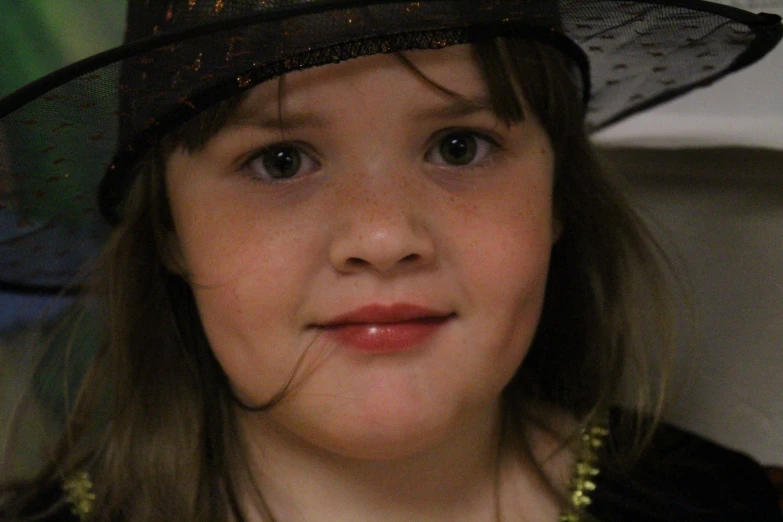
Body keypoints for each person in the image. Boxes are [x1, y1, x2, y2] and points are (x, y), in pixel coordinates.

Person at [0, 1, 781, 521]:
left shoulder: (719, 504)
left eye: (457, 146)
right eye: (278, 160)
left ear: (556, 197)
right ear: (170, 229)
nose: (381, 238)